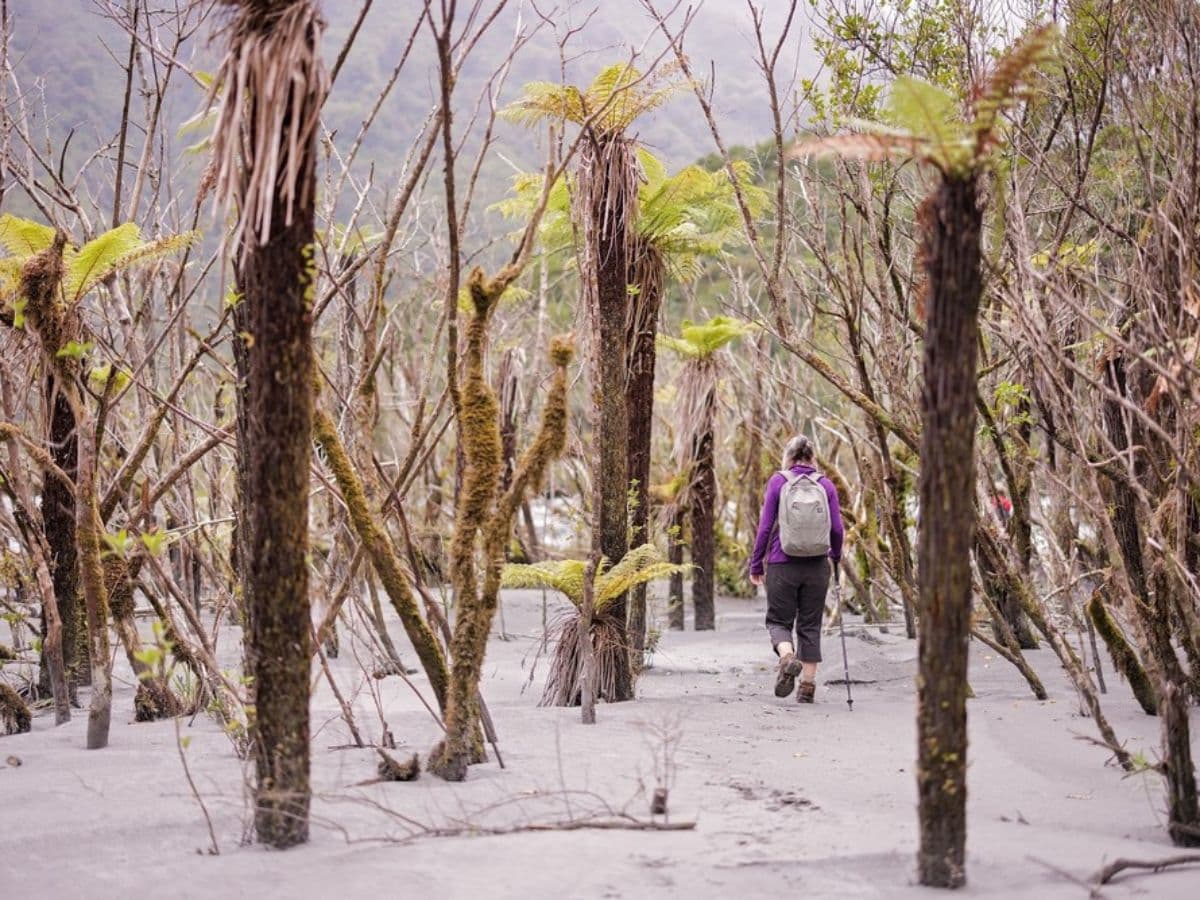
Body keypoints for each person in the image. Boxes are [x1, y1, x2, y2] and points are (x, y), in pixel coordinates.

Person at [749, 435, 844, 703]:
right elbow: (837, 529)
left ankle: (787, 657)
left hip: (782, 563)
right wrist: (834, 556)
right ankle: (807, 687)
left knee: (779, 621)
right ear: (813, 458)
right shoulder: (826, 485)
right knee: (810, 625)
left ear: (788, 457)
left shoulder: (779, 481)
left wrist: (756, 563)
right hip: (816, 565)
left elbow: (765, 527)